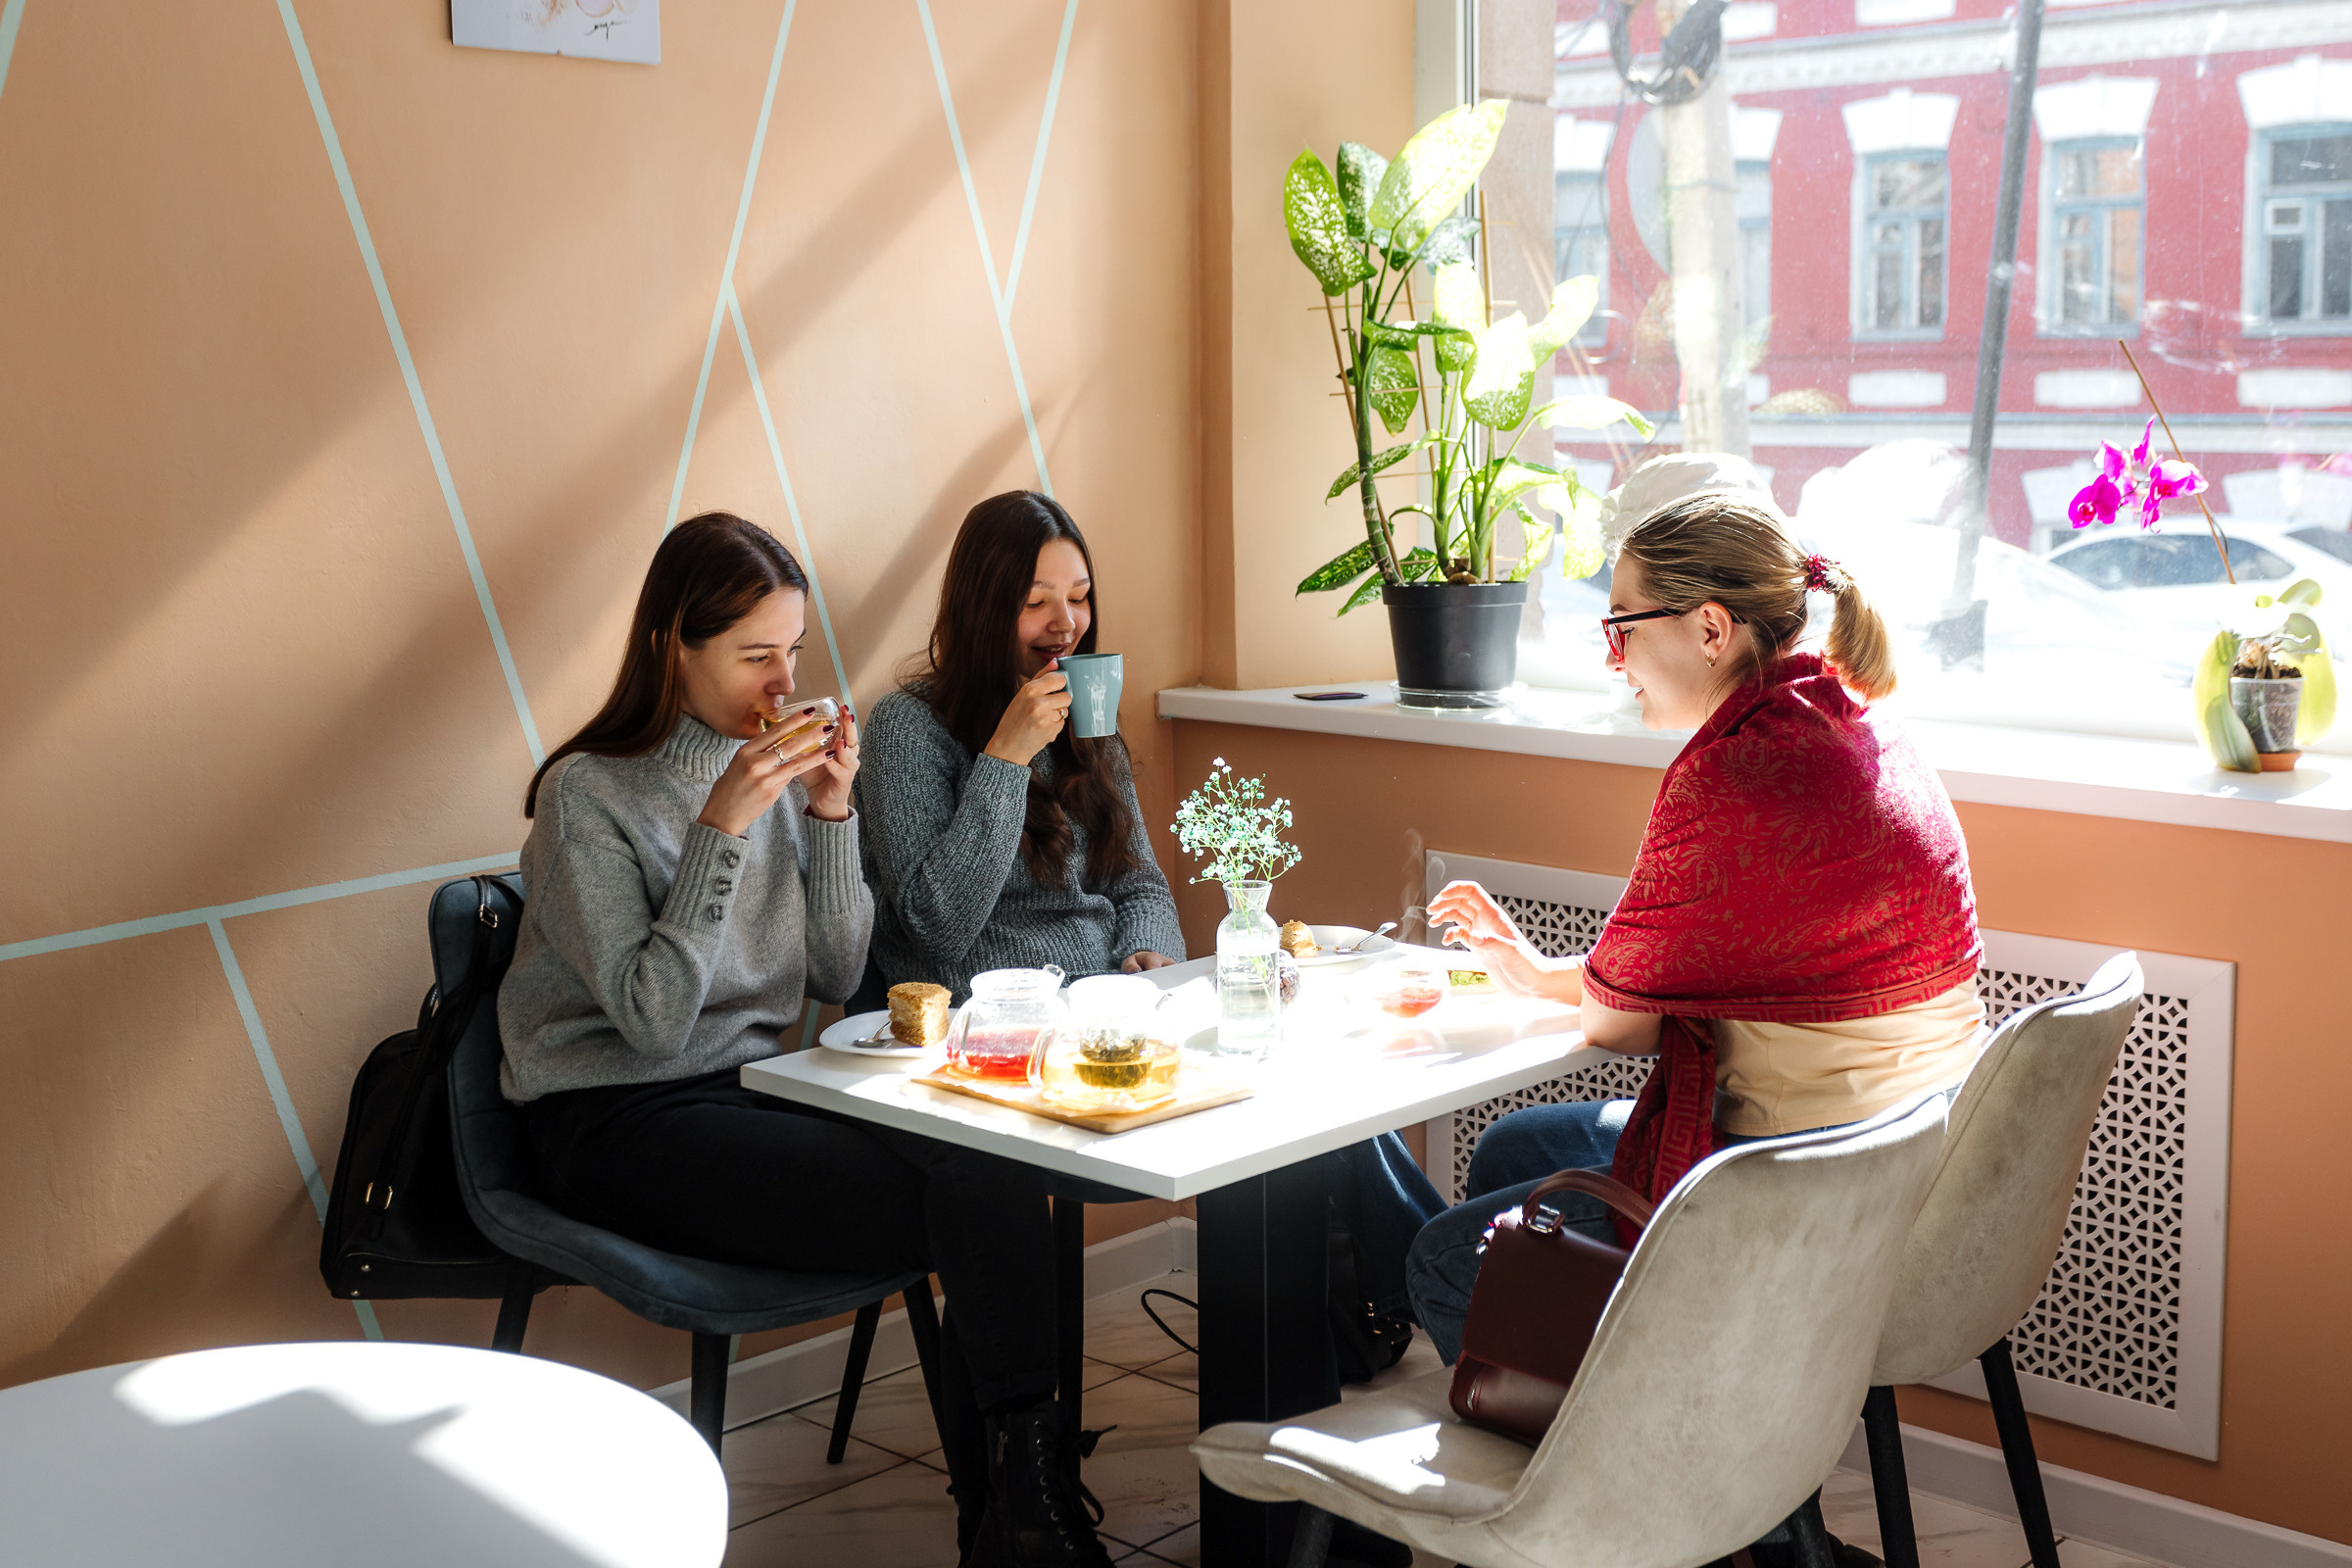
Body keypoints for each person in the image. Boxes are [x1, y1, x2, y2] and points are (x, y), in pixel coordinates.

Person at [499, 513, 1113, 1568]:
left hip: (752, 1086)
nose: (784, 684)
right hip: (610, 1112)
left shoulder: (769, 770)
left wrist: (829, 817)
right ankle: (1025, 1511)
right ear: (669, 649)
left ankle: (1023, 1500)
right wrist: (721, 829)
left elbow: (833, 974)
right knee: (952, 1198)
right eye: (754, 657)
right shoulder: (585, 797)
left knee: (985, 1151)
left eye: (792, 651)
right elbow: (650, 1019)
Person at [859, 491, 1444, 1568]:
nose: (1065, 621)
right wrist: (1000, 757)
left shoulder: (1089, 714)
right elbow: (935, 926)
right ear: (981, 602)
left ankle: (1341, 1424)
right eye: (1037, 599)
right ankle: (1037, 1481)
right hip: (990, 1039)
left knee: (1301, 1086)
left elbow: (1137, 882)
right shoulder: (909, 730)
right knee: (992, 1173)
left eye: (1080, 596)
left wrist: (1145, 956)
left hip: (1114, 1019)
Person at [1406, 482, 1985, 1367]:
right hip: (1914, 1159)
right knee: (1514, 1145)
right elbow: (1642, 1000)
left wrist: (1551, 977)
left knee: (1441, 1263)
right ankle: (1576, 1409)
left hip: (1806, 1185)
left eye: (1622, 627)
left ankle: (1631, 1479)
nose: (1612, 659)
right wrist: (1532, 969)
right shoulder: (1857, 722)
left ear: (1710, 630)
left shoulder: (1737, 771)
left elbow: (1623, 1021)